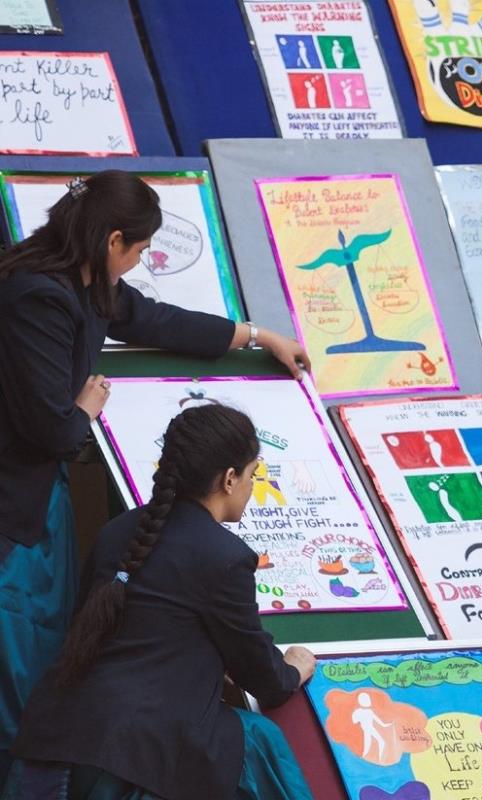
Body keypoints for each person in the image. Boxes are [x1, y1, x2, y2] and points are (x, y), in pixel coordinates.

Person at [0, 170, 311, 775]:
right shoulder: (35, 295)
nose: (139, 262)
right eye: (139, 249)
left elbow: (155, 320)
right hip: (14, 512)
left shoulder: (87, 283)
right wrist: (85, 411)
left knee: (40, 649)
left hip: (42, 505)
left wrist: (256, 336)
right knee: (18, 659)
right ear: (113, 240)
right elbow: (50, 430)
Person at [4, 403, 316, 800]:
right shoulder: (226, 556)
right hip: (131, 760)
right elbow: (262, 676)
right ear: (229, 478)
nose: (253, 487)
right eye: (253, 474)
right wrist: (292, 669)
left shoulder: (117, 530)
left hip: (52, 740)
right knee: (259, 740)